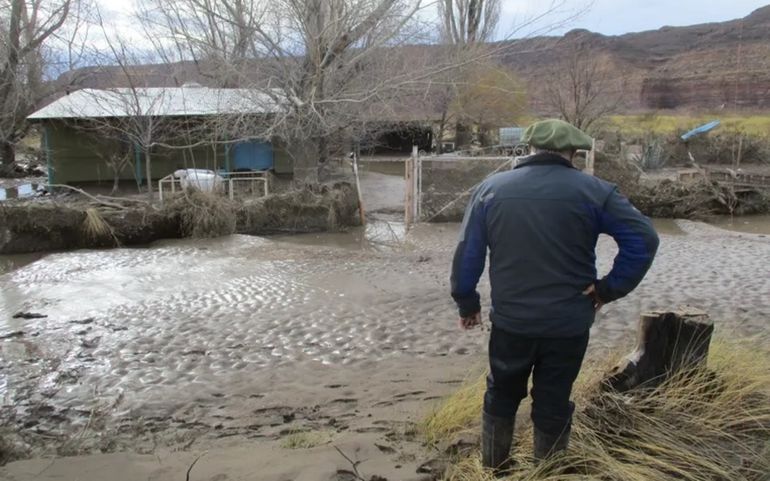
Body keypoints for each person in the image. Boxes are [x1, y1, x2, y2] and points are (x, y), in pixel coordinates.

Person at [450, 119, 659, 470]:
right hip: (568, 323)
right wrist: (609, 288)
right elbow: (645, 240)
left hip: (512, 322)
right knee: (554, 399)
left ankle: (493, 470)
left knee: (501, 393)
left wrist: (467, 302)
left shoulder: (491, 189)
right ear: (573, 153)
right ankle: (547, 472)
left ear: (529, 148)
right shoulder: (596, 191)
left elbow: (468, 252)